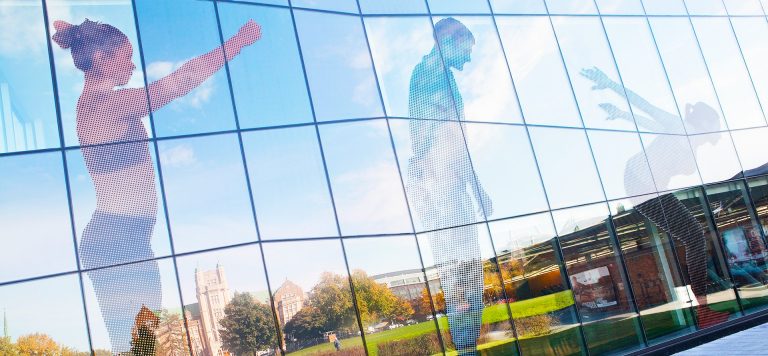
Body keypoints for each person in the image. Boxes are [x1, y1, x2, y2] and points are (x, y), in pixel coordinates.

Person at [52, 18, 260, 353]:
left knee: (144, 347)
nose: (132, 65)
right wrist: (237, 42)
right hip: (116, 242)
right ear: (103, 60)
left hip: (126, 240)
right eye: (126, 56)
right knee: (142, 348)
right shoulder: (103, 107)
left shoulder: (99, 105)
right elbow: (181, 82)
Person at [581, 67, 730, 328]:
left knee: (693, 236)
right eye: (715, 125)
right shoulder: (678, 125)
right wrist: (609, 84)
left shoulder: (689, 141)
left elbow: (645, 123)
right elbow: (645, 106)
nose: (717, 131)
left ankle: (702, 308)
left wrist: (620, 114)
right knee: (694, 235)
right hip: (640, 181)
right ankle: (702, 309)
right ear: (705, 123)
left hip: (646, 185)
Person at [407, 18, 492, 355]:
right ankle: (466, 348)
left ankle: (466, 348)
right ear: (446, 38)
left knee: (464, 275)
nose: (469, 59)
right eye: (466, 49)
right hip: (444, 187)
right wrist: (477, 188)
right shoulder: (430, 75)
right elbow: (450, 140)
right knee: (465, 276)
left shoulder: (432, 76)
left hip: (440, 187)